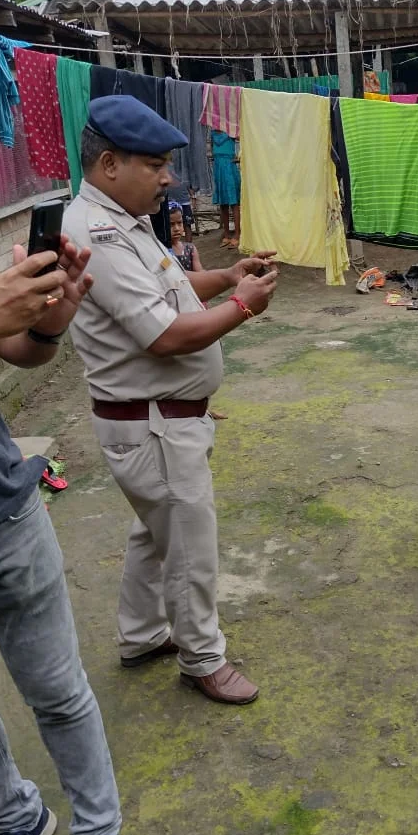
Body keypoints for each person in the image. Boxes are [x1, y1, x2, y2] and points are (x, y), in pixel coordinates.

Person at [0, 229, 147, 835]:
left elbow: (16, 347)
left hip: (1, 508)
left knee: (59, 693)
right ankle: (18, 821)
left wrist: (49, 322)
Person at [64, 95, 277, 705]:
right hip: (152, 423)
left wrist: (228, 278)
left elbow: (173, 290)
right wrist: (243, 307)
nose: (168, 178)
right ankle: (202, 659)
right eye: (155, 165)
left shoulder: (121, 220)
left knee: (155, 535)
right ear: (110, 163)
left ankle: (141, 634)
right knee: (188, 545)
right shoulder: (98, 232)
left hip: (158, 420)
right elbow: (163, 335)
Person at [212, 130, 241, 248]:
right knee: (223, 204)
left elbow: (244, 138)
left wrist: (239, 157)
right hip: (218, 169)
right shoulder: (212, 133)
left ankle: (237, 234)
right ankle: (227, 234)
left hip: (229, 168)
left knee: (234, 203)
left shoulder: (232, 131)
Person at [168, 201, 202, 273]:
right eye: (171, 224)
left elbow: (199, 272)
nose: (176, 228)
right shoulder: (161, 250)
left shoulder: (190, 248)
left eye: (179, 223)